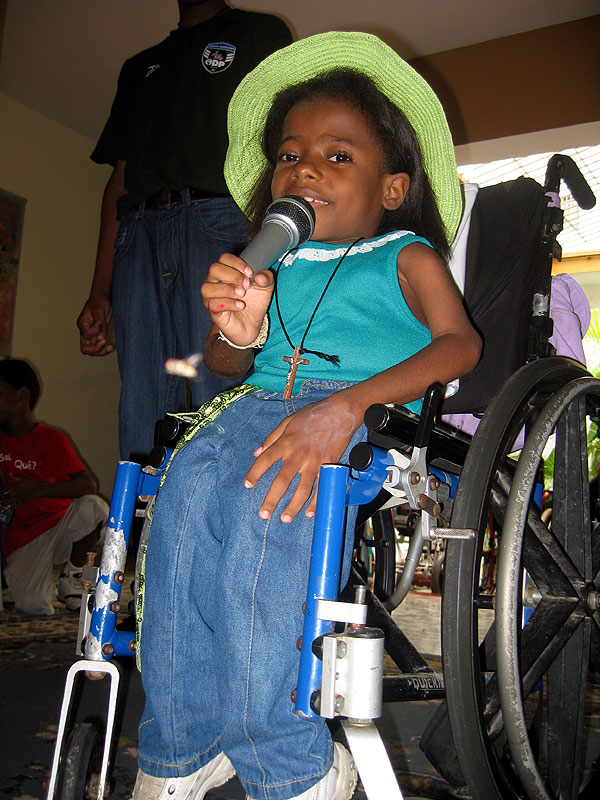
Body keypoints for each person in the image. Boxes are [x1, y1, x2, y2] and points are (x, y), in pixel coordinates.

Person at [133, 32, 481, 800]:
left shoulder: (406, 254)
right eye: (289, 155)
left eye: (337, 154)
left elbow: (460, 345)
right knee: (181, 515)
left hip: (361, 415)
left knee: (266, 523)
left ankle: (288, 762)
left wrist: (346, 405)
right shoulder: (273, 263)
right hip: (249, 410)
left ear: (393, 187)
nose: (305, 169)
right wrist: (237, 329)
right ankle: (182, 746)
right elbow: (225, 367)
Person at [76, 0, 293, 463]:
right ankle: (140, 510)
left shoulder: (259, 33)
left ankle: (227, 503)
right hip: (137, 233)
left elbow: (280, 143)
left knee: (224, 384)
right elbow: (119, 180)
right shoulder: (139, 68)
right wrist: (99, 291)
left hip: (222, 220)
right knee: (142, 400)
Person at [0, 359, 108, 616]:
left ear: (22, 396)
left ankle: (73, 574)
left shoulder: (50, 440)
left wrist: (36, 490)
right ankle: (33, 582)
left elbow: (87, 484)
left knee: (94, 507)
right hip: (23, 538)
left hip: (60, 527)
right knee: (34, 606)